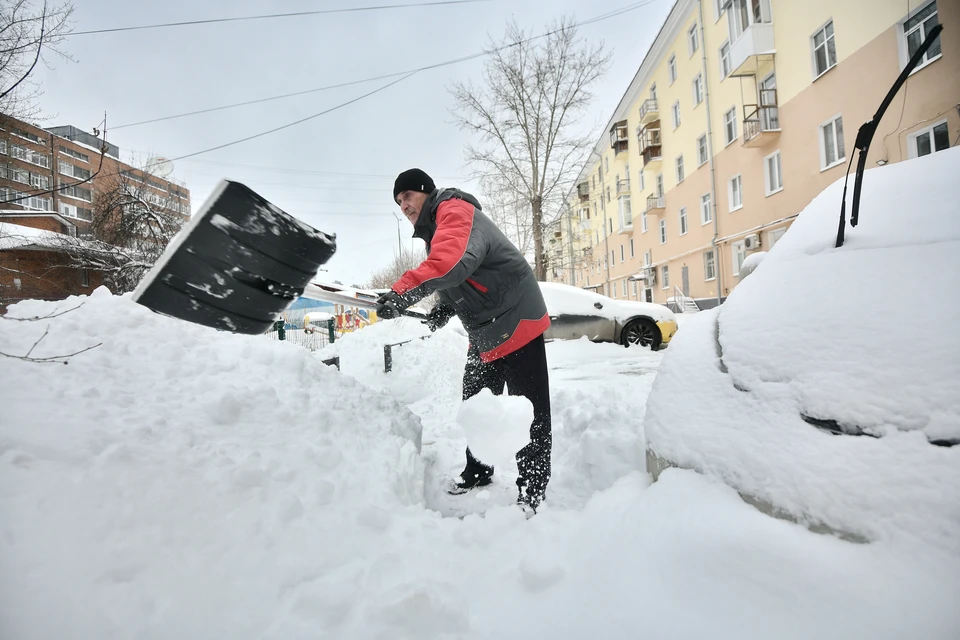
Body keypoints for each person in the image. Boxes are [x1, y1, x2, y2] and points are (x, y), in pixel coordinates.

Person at [376, 168, 553, 513]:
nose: (404, 206)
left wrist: (403, 291)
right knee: (476, 406)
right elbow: (464, 277)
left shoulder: (453, 210)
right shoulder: (437, 228)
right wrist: (446, 307)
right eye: (399, 202)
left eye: (408, 196)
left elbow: (452, 262)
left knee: (529, 411)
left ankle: (532, 489)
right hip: (485, 330)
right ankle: (478, 470)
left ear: (426, 191)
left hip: (517, 318)